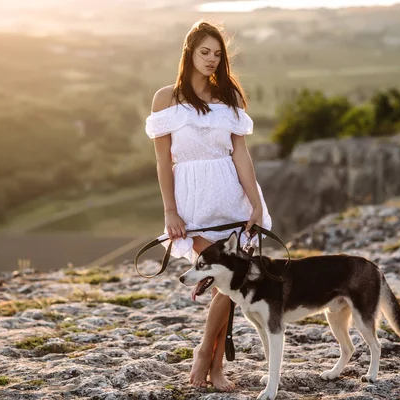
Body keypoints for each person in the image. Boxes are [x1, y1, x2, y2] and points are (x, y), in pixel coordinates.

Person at [144, 20, 272, 391]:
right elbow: (162, 161)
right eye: (205, 52)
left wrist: (256, 206)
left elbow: (241, 155)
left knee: (228, 283)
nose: (212, 59)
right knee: (227, 281)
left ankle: (212, 364)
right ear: (189, 53)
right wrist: (170, 211)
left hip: (231, 199)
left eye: (217, 54)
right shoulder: (166, 99)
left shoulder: (228, 99)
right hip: (193, 203)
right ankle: (207, 357)